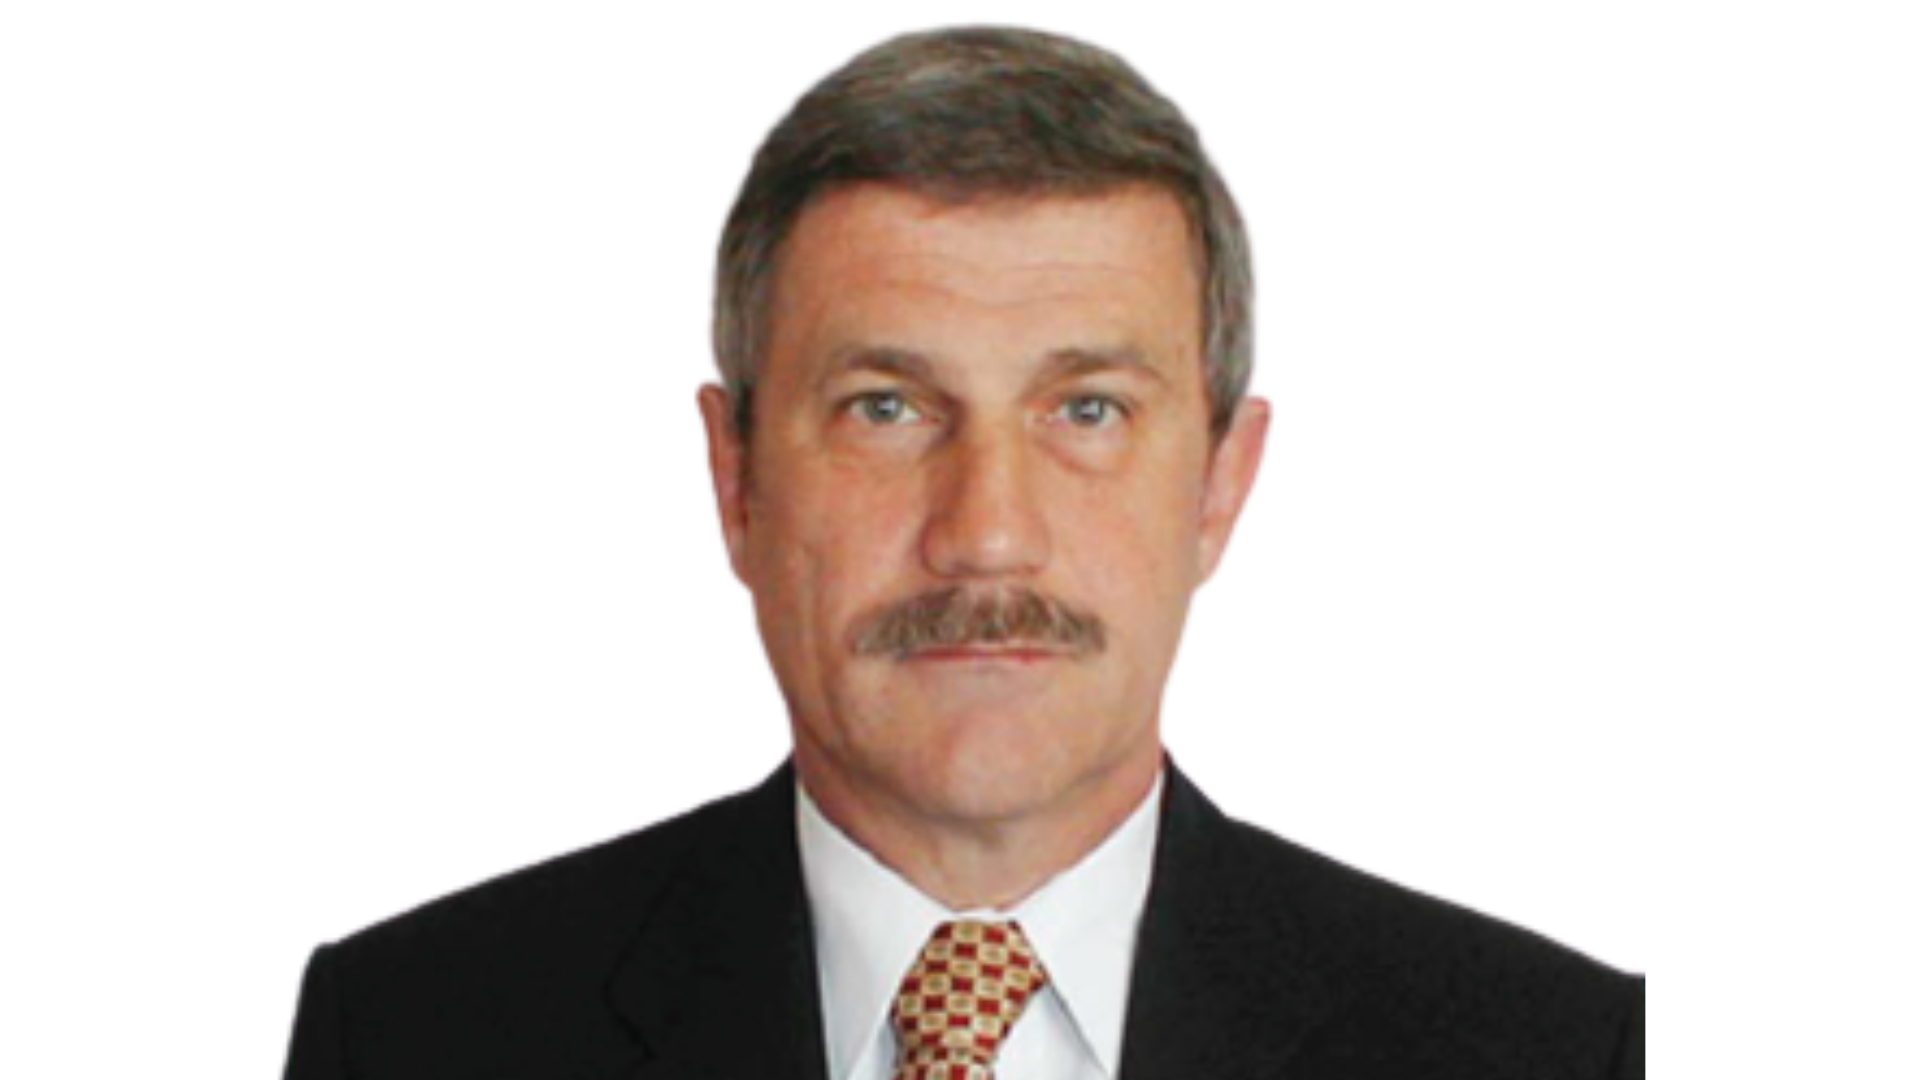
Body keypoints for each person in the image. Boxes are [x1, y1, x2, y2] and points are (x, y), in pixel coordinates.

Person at [282, 25, 1644, 1080]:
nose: (986, 533)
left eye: (1086, 411)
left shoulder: (1560, 1054)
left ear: (1221, 485)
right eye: (887, 408)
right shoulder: (411, 1036)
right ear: (736, 479)